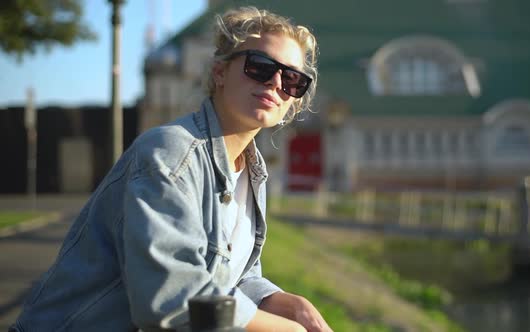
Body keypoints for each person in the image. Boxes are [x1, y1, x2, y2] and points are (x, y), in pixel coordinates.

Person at [11, 6, 331, 332]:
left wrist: (282, 302)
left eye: (292, 79)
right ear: (219, 72)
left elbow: (232, 274)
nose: (276, 82)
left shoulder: (251, 172)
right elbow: (171, 298)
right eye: (260, 67)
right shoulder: (171, 153)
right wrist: (286, 329)